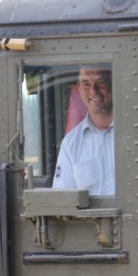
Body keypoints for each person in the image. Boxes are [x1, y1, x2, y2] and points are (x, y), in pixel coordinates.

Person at [52, 67, 115, 196]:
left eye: (101, 83)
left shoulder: (135, 132)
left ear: (113, 84)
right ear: (79, 88)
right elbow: (63, 199)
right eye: (86, 84)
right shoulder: (70, 144)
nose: (93, 91)